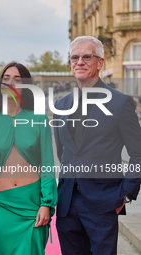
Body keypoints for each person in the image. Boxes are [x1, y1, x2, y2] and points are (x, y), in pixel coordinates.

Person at [54, 36, 141, 255]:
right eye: (75, 57)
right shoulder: (61, 105)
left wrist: (126, 194)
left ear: (100, 63)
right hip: (67, 204)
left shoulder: (120, 103)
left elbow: (138, 153)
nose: (79, 62)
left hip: (104, 203)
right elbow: (63, 152)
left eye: (86, 57)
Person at [0, 62, 58, 254]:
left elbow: (47, 165)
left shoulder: (39, 119)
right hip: (1, 207)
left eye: (17, 79)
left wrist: (46, 204)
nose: (10, 82)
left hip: (32, 205)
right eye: (6, 78)